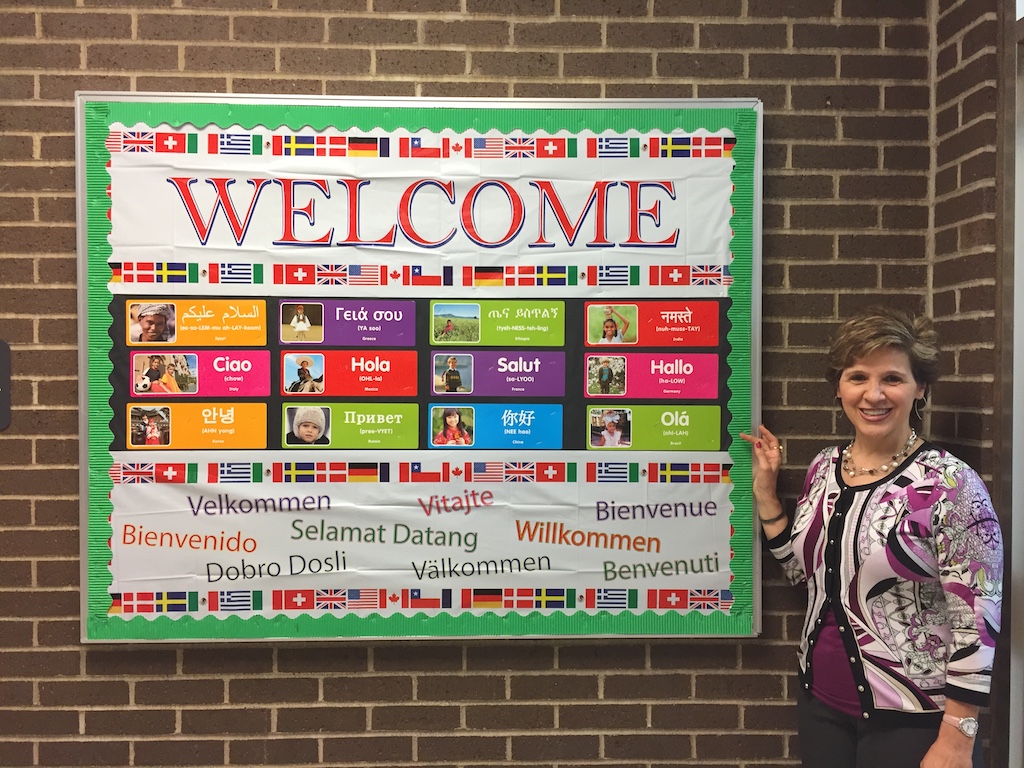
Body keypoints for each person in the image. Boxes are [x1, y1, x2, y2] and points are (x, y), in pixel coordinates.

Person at [740, 306, 1002, 768]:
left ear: (920, 387)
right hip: (821, 705)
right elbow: (804, 572)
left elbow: (978, 619)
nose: (873, 394)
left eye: (893, 379)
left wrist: (959, 735)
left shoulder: (949, 485)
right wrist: (766, 494)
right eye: (858, 376)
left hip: (915, 720)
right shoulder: (825, 467)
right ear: (839, 386)